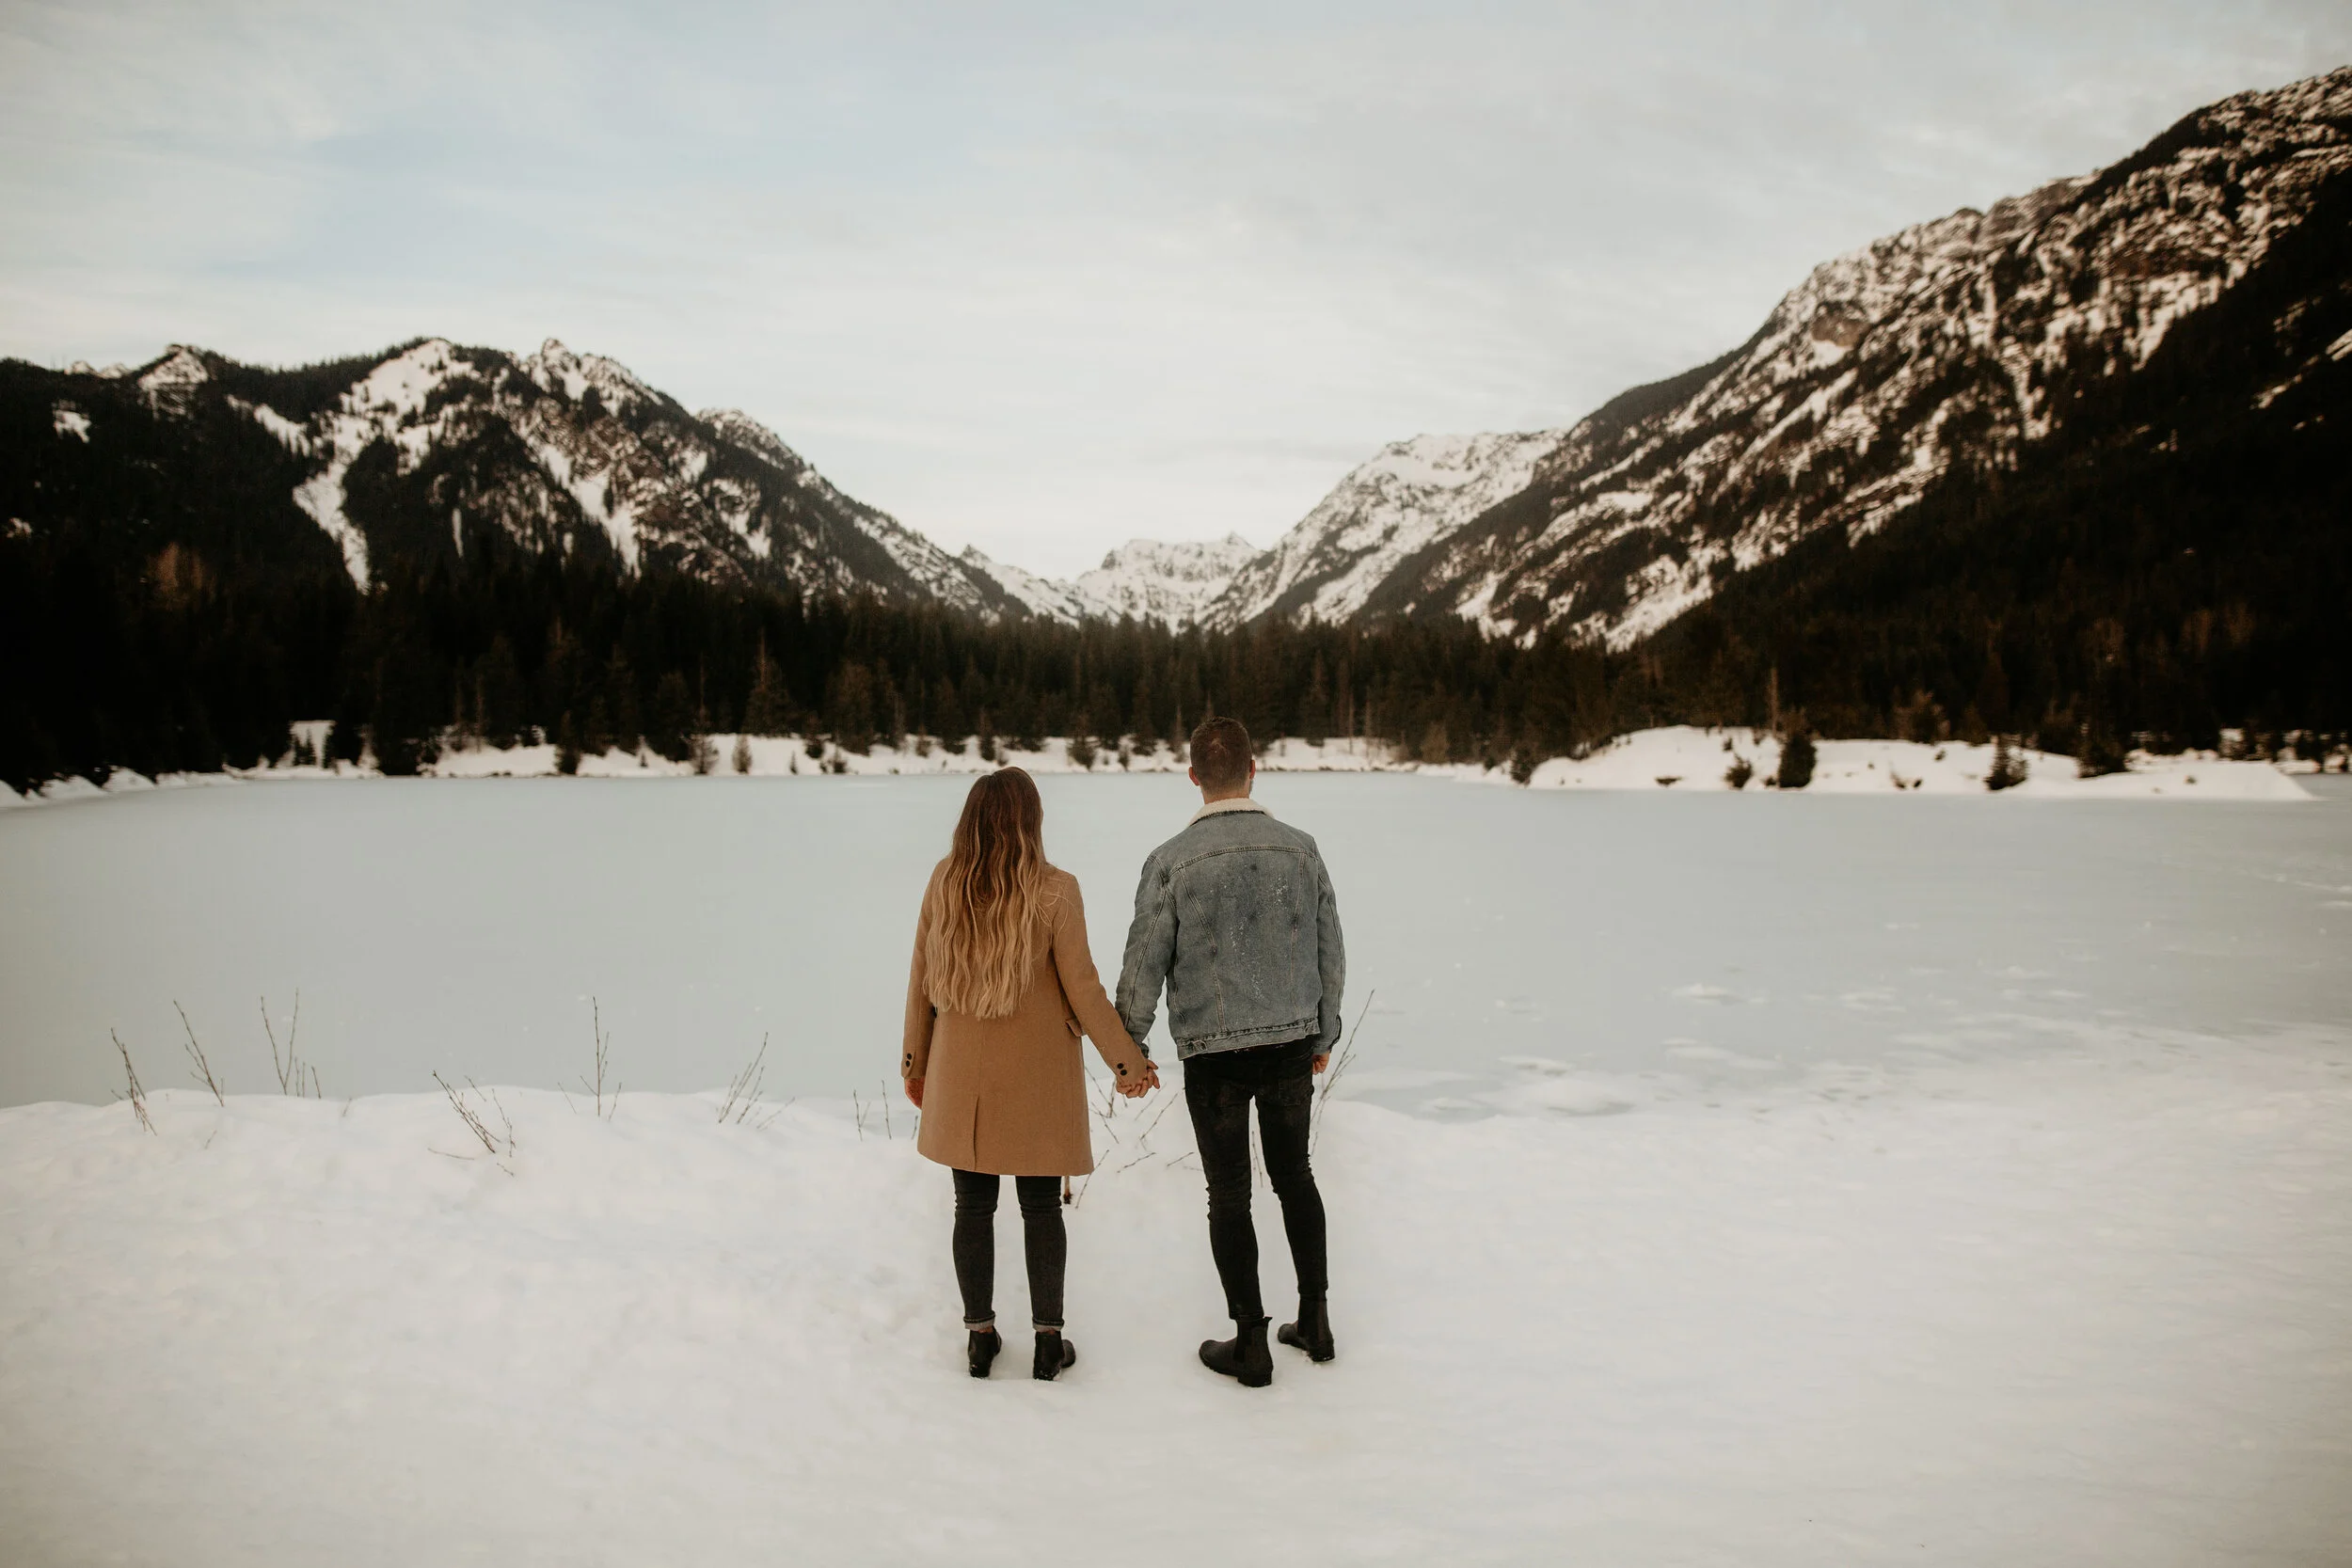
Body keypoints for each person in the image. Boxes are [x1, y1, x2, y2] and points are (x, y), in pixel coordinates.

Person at [901, 767, 1158, 1381]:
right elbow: (1085, 989)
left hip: (962, 1076)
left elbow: (919, 978)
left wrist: (916, 1061)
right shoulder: (1055, 890)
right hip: (1039, 1077)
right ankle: (1048, 1343)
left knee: (972, 1204)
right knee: (1042, 1208)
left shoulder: (945, 880)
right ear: (1031, 821)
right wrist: (1129, 1061)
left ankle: (980, 1339)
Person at [1117, 716, 1344, 1387]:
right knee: (1295, 1173)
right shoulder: (1301, 850)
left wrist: (1131, 1042)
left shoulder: (1170, 861)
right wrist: (1323, 1031)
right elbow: (1331, 948)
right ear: (1255, 768)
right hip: (1289, 1040)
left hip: (1212, 1051)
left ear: (1193, 777)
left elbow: (1143, 965)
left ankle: (1251, 1341)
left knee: (1229, 1193)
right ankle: (1316, 1320)